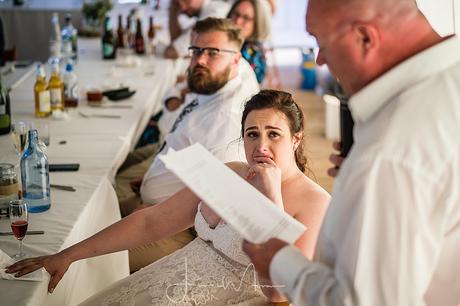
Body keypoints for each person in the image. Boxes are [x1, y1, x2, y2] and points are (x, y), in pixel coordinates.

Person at [6, 90, 330, 305]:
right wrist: (68, 255)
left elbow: (280, 293)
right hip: (163, 280)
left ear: (296, 139)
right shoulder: (230, 171)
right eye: (252, 134)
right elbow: (151, 222)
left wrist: (271, 196)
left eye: (274, 134)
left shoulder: (314, 202)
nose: (261, 146)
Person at [243, 0, 460, 305]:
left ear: (365, 38)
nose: (319, 59)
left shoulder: (388, 151)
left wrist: (280, 262)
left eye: (321, 42)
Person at [115, 18, 259, 271]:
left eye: (212, 52)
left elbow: (218, 200)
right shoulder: (218, 82)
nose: (200, 60)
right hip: (151, 200)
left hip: (172, 229)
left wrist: (160, 209)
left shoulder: (225, 120)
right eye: (195, 51)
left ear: (236, 58)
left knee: (94, 264)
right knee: (95, 199)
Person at [165, 0, 230, 59]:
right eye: (178, 4)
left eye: (186, 1)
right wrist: (173, 12)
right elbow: (177, 42)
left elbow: (172, 52)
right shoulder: (209, 9)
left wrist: (172, 12)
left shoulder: (214, 12)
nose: (183, 8)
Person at [228, 0, 272, 83]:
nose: (238, 21)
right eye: (236, 14)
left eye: (246, 18)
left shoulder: (251, 50)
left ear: (257, 23)